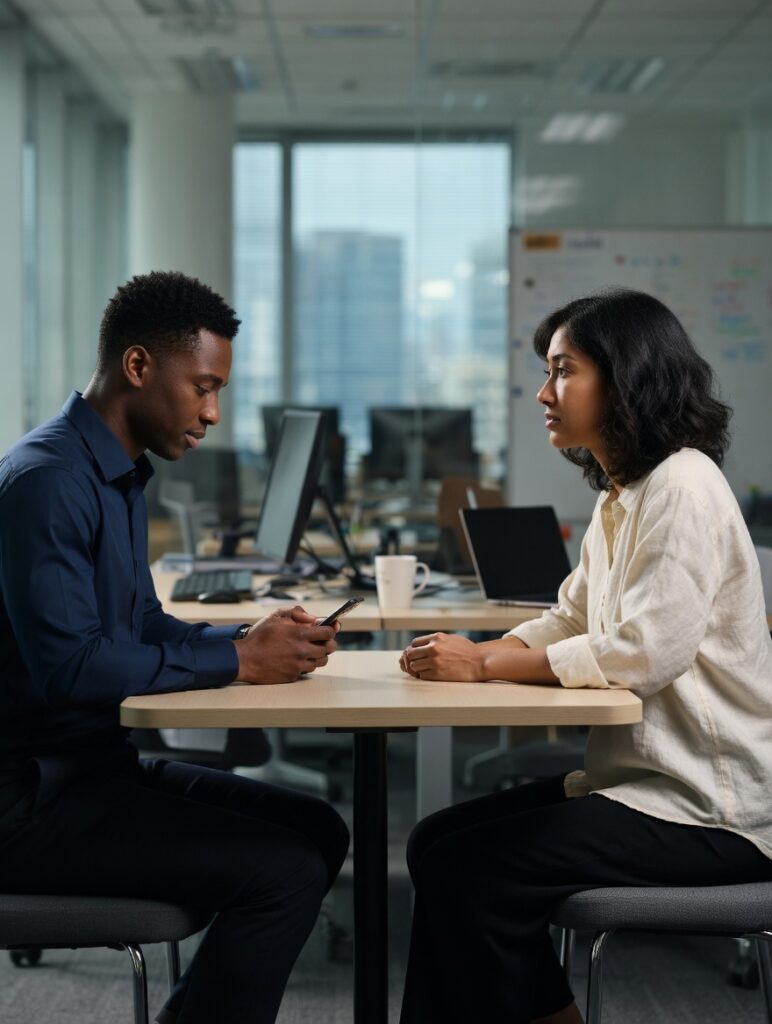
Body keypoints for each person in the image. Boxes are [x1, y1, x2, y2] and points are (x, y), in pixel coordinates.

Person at [398, 288, 772, 1024]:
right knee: (435, 842)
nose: (545, 393)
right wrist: (481, 651)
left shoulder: (683, 485)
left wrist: (483, 666)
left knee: (467, 867)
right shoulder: (622, 495)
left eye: (564, 370)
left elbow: (643, 651)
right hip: (646, 786)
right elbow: (571, 615)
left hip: (712, 810)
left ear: (626, 377)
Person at [0, 270, 349, 1024]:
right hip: (28, 801)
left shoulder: (116, 474)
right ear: (138, 366)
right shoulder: (46, 481)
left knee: (319, 829)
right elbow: (71, 668)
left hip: (95, 772)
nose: (213, 412)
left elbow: (142, 624)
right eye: (203, 387)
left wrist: (249, 641)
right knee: (285, 871)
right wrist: (240, 662)